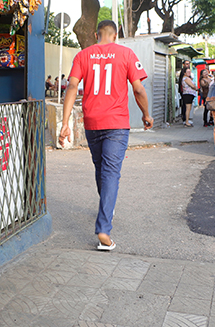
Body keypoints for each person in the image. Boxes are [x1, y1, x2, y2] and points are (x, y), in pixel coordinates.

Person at [59, 20, 153, 251]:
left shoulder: (83, 55)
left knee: (101, 169)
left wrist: (65, 123)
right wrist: (146, 114)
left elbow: (71, 87)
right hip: (117, 124)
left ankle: (106, 207)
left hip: (92, 123)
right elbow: (138, 88)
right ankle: (103, 228)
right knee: (110, 173)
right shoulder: (126, 54)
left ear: (96, 34)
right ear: (116, 35)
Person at [179, 62, 196, 127]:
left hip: (189, 95)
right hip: (187, 94)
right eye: (188, 72)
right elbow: (193, 86)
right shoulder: (186, 79)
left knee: (188, 108)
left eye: (190, 72)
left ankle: (187, 121)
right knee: (188, 108)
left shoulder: (187, 78)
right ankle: (186, 121)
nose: (189, 73)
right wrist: (195, 88)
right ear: (185, 73)